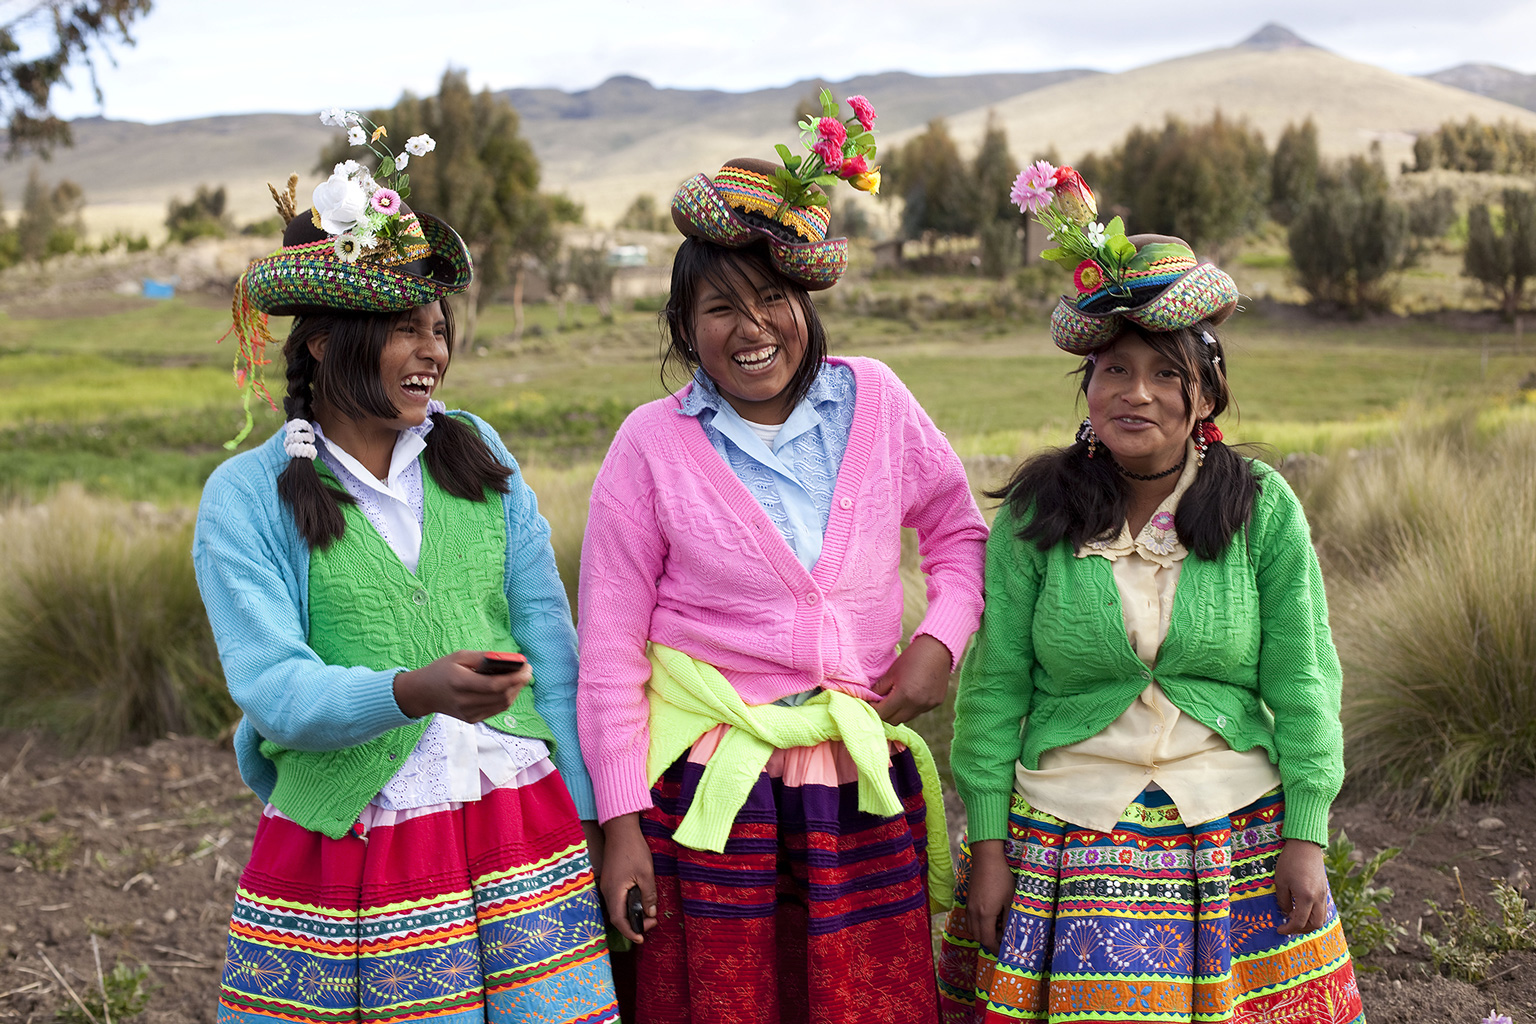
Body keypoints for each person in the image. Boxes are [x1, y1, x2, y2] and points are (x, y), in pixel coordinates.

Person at [193, 115, 618, 1024]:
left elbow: (550, 633)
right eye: (405, 330)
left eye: (439, 328)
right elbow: (272, 685)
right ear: (322, 343)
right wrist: (408, 690)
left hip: (516, 820)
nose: (434, 352)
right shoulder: (246, 496)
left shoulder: (476, 452)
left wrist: (585, 807)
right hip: (358, 836)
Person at [937, 162, 1364, 1024]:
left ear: (1205, 391)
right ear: (1086, 389)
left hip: (1233, 812)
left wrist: (1306, 833)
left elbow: (1304, 677)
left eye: (1166, 374)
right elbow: (993, 688)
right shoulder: (1040, 510)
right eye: (1115, 370)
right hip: (1072, 819)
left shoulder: (1259, 505)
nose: (1138, 394)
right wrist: (988, 844)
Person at [575, 139, 989, 1022]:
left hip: (856, 781)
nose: (752, 326)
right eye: (720, 306)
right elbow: (610, 655)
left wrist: (937, 642)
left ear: (806, 302)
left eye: (772, 298)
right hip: (708, 797)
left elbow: (959, 534)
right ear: (685, 327)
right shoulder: (649, 446)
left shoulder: (876, 401)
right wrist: (620, 829)